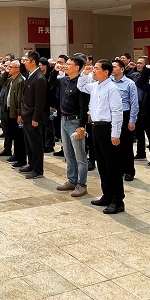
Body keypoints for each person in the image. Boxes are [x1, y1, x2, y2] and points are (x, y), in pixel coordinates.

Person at [78, 59, 125, 214]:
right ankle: (107, 195)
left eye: (97, 68)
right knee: (102, 165)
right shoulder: (95, 86)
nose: (94, 70)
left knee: (112, 165)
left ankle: (118, 200)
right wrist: (84, 73)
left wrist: (115, 133)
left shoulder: (112, 88)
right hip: (95, 128)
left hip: (107, 128)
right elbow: (81, 86)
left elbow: (117, 112)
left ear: (106, 72)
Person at [57, 56, 91, 197]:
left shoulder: (81, 84)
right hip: (64, 120)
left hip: (75, 122)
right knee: (68, 154)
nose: (65, 66)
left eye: (69, 64)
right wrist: (54, 71)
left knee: (80, 156)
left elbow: (84, 107)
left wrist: (81, 126)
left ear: (77, 67)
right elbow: (51, 84)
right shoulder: (64, 81)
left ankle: (82, 184)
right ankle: (72, 180)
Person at [109, 60, 139, 181]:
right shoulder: (108, 82)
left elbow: (134, 103)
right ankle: (118, 169)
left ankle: (129, 171)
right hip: (111, 115)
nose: (112, 69)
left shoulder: (129, 83)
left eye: (114, 67)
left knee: (125, 145)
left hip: (124, 114)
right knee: (113, 144)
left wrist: (132, 120)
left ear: (122, 69)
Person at [20, 51, 48, 179]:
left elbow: (40, 101)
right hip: (26, 115)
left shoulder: (39, 78)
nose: (24, 63)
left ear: (33, 61)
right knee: (28, 143)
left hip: (33, 117)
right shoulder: (30, 74)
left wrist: (36, 118)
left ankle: (38, 169)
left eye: (26, 60)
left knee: (36, 144)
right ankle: (31, 164)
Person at [4, 61, 27, 169]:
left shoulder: (20, 80)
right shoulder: (12, 79)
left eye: (11, 67)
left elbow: (20, 98)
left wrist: (19, 113)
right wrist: (5, 72)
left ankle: (21, 159)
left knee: (19, 137)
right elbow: (2, 81)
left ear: (17, 68)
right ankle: (16, 155)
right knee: (13, 135)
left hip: (16, 112)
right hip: (10, 110)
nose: (8, 68)